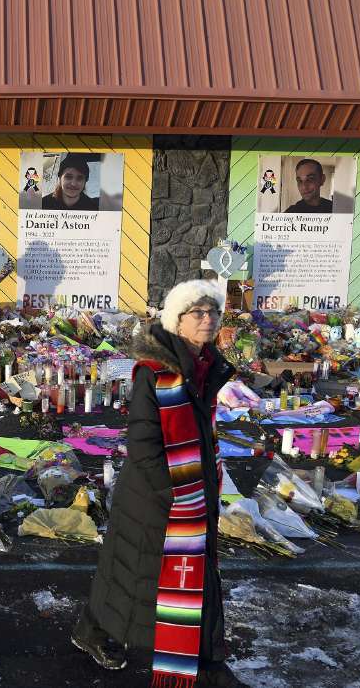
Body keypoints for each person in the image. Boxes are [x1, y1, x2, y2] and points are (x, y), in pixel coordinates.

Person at [72, 279, 243, 688]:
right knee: (134, 573)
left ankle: (208, 662)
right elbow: (143, 443)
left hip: (192, 488)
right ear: (177, 320)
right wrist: (174, 496)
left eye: (213, 312)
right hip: (156, 494)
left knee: (170, 575)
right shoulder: (156, 373)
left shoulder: (205, 364)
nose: (207, 319)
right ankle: (93, 631)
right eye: (198, 313)